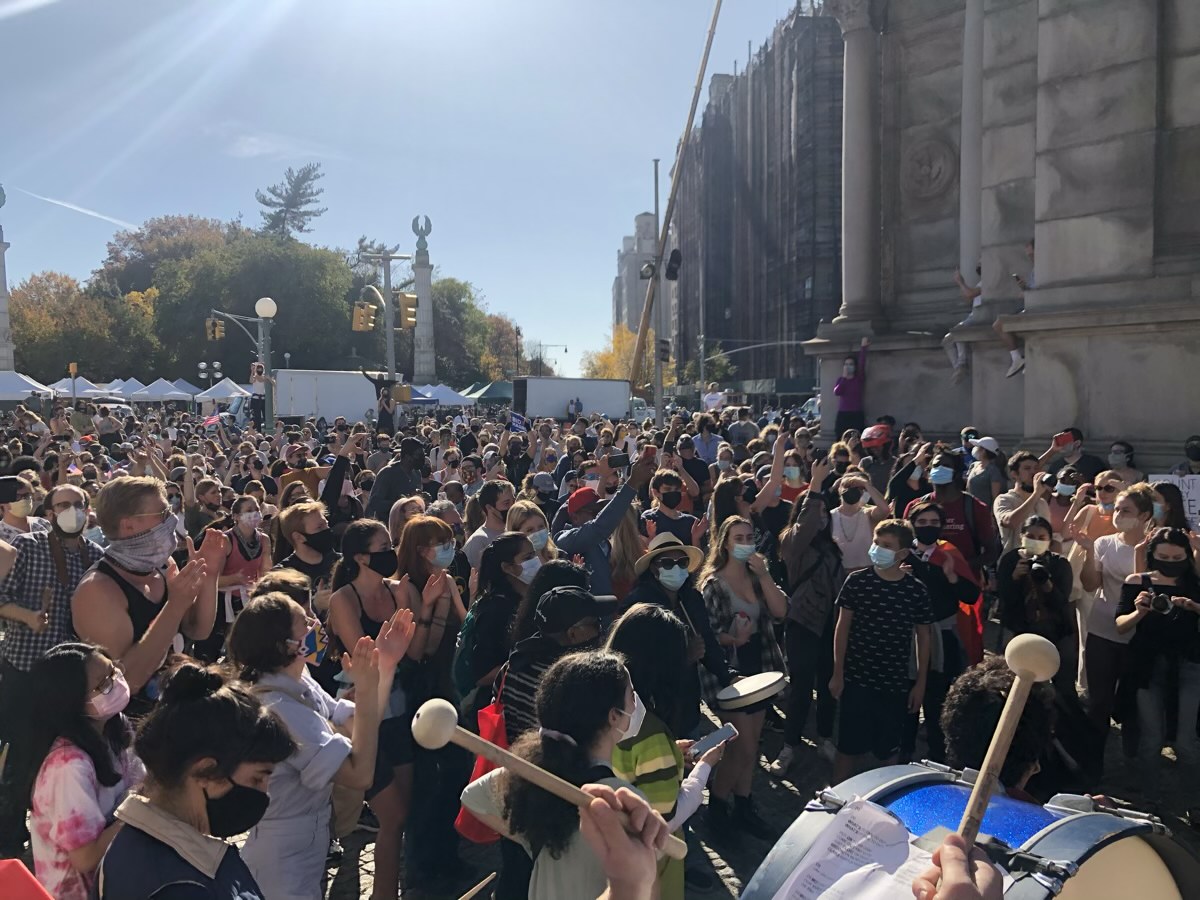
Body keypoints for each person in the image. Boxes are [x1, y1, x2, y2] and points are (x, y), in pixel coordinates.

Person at [229, 592, 414, 900]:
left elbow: (361, 725)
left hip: (308, 843)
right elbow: (359, 775)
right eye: (304, 621)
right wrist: (367, 689)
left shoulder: (301, 680)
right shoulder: (278, 707)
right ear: (282, 645)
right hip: (283, 859)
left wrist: (385, 666)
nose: (316, 623)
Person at [459, 650, 654, 900]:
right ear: (614, 716)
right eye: (630, 695)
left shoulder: (536, 784)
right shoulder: (624, 803)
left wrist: (525, 834)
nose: (636, 703)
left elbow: (472, 796)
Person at [91, 664, 296, 899]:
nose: (265, 791)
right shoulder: (182, 889)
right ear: (206, 771)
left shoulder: (136, 848)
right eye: (258, 777)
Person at [0, 485, 105, 852]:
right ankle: (9, 842)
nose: (71, 511)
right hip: (25, 669)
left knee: (62, 758)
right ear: (48, 512)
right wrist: (27, 616)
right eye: (63, 505)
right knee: (20, 758)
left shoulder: (96, 557)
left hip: (70, 680)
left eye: (78, 505)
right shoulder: (29, 547)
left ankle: (60, 832)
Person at [325, 519, 425, 899]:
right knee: (392, 814)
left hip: (400, 710)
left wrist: (415, 604)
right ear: (361, 556)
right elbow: (363, 656)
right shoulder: (343, 599)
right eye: (384, 545)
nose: (392, 551)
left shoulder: (399, 590)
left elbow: (415, 652)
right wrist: (392, 649)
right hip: (365, 712)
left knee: (402, 813)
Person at [71, 477, 225, 715]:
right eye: (162, 513)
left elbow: (197, 630)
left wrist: (210, 573)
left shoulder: (162, 566)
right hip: (134, 729)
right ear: (129, 526)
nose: (171, 518)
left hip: (177, 712)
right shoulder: (98, 590)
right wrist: (174, 606)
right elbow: (126, 682)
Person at [607, 603, 724, 899]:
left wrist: (669, 753)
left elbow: (629, 765)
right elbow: (662, 821)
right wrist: (704, 768)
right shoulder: (651, 733)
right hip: (651, 864)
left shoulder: (607, 712)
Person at [24, 643, 143, 900]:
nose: (116, 683)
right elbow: (85, 857)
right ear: (72, 702)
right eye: (102, 685)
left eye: (114, 672)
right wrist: (139, 809)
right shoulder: (68, 767)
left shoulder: (113, 730)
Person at [698, 516, 787, 840]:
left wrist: (764, 575)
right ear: (724, 543)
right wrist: (732, 638)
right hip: (727, 673)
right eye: (738, 537)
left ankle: (744, 803)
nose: (746, 542)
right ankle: (719, 805)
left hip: (759, 668)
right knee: (743, 747)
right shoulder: (713, 584)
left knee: (753, 744)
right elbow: (707, 634)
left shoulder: (756, 576)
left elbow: (781, 611)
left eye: (749, 536)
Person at [829, 519, 934, 783]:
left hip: (894, 683)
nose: (878, 549)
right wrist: (837, 672)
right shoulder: (857, 582)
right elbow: (842, 628)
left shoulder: (916, 591)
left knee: (889, 750)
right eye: (876, 542)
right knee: (847, 747)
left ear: (902, 553)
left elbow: (924, 637)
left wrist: (920, 684)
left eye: (886, 545)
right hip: (856, 679)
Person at [1114, 527, 1200, 804]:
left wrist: (1195, 607)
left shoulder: (1195, 583)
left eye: (1178, 558)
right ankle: (1150, 802)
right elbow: (1120, 626)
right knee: (1151, 740)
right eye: (1164, 556)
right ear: (1153, 555)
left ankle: (1193, 802)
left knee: (1185, 743)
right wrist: (1139, 611)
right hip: (1146, 667)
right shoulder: (1138, 581)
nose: (1171, 563)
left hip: (1188, 664)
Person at [771, 469, 846, 775]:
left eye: (825, 512)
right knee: (801, 687)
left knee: (829, 685)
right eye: (816, 512)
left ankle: (825, 738)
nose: (822, 517)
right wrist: (814, 488)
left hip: (830, 623)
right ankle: (790, 745)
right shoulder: (791, 542)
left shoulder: (832, 548)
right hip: (802, 622)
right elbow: (805, 525)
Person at [624, 533, 733, 739]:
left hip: (687, 705)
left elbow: (707, 641)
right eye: (668, 563)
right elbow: (637, 664)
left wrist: (729, 675)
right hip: (652, 712)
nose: (676, 568)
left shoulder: (692, 599)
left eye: (682, 562)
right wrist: (684, 657)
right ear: (654, 568)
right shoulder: (638, 606)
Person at [1074, 484, 1156, 752]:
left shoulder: (1156, 548)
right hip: (1102, 629)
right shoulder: (1104, 543)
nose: (1119, 515)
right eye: (1117, 509)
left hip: (1138, 634)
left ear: (1144, 515)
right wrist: (1088, 551)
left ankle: (1134, 755)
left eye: (1126, 510)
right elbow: (1089, 584)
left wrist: (1141, 553)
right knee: (1099, 700)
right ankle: (1094, 752)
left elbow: (1143, 587)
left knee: (1131, 701)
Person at [500, 586, 617, 744]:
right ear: (573, 634)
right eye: (596, 623)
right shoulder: (570, 682)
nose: (601, 630)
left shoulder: (513, 665)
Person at [556, 453, 655, 596]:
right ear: (575, 518)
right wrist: (632, 483)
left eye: (600, 510)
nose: (598, 515)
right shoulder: (566, 540)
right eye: (593, 512)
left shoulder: (606, 544)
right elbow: (598, 527)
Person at [996, 516, 1075, 683]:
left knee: (1063, 684)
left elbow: (1062, 603)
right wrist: (1015, 578)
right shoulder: (1010, 560)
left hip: (1055, 630)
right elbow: (1004, 598)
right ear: (1021, 537)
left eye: (1041, 538)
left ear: (1049, 540)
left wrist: (1046, 583)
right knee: (1011, 679)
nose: (1036, 541)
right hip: (1018, 628)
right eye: (1030, 537)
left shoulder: (1059, 563)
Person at [992, 451, 1051, 555]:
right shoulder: (1004, 499)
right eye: (1027, 468)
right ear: (1014, 474)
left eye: (1036, 468)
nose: (1033, 473)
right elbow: (1010, 522)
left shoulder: (1041, 503)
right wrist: (1036, 494)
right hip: (1014, 563)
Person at [830, 470, 890, 570]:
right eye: (848, 487)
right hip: (840, 574)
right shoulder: (830, 516)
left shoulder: (868, 514)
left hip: (866, 572)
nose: (852, 490)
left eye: (858, 488)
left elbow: (885, 509)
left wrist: (866, 484)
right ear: (840, 489)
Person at [275, 500, 340, 585]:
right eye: (319, 527)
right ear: (298, 537)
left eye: (326, 524)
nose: (327, 530)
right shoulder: (282, 576)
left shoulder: (342, 564)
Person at [365, 437, 424, 521]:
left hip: (410, 524)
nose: (422, 459)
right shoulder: (387, 473)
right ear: (407, 456)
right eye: (418, 455)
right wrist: (399, 503)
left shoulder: (417, 473)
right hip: (390, 523)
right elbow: (374, 502)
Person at [463, 479, 515, 569]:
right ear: (489, 508)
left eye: (513, 501)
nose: (513, 506)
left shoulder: (516, 529)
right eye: (506, 503)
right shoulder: (479, 541)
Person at [641, 469, 701, 546]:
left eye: (676, 489)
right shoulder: (648, 519)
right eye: (668, 489)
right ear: (656, 492)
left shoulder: (691, 521)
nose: (673, 492)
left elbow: (697, 554)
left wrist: (696, 537)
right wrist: (651, 538)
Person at [833, 337, 869, 434]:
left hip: (856, 413)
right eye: (846, 364)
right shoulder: (841, 380)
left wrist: (864, 347)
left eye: (851, 364)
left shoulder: (858, 378)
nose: (848, 366)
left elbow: (862, 362)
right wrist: (844, 378)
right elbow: (837, 391)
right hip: (843, 414)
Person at [965, 436, 1006, 506]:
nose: (975, 449)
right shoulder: (973, 465)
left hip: (984, 511)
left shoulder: (993, 471)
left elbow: (995, 497)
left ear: (983, 451)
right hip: (970, 508)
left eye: (978, 447)